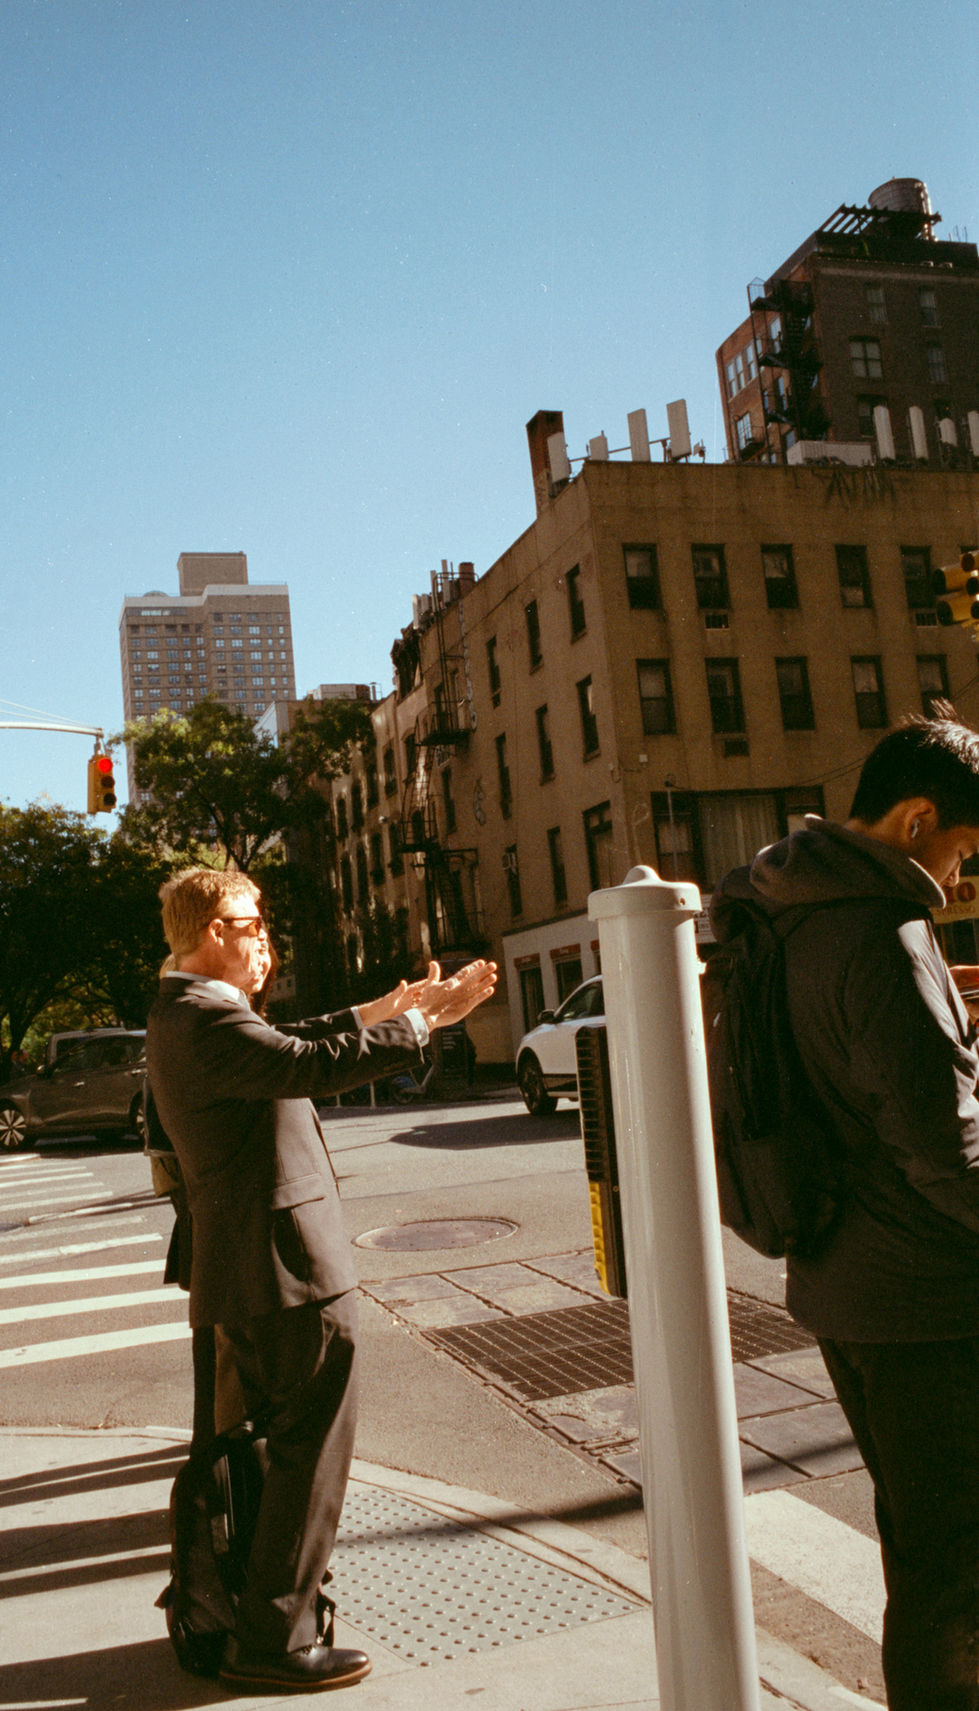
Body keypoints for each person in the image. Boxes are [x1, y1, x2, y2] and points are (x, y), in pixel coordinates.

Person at [146, 865, 496, 1694]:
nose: (263, 933)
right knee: (309, 1455)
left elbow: (300, 1038)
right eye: (251, 920)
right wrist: (418, 1023)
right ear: (212, 933)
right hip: (285, 1272)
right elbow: (306, 1062)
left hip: (267, 1269)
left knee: (282, 1456)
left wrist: (382, 1008)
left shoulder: (190, 1011)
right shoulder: (202, 1018)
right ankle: (274, 1637)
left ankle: (277, 1615)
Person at [711, 709, 979, 1711]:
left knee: (922, 1547)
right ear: (914, 820)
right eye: (960, 852)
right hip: (929, 1298)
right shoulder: (884, 933)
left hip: (840, 1281)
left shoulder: (781, 907)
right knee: (956, 1569)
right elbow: (944, 1150)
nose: (957, 881)